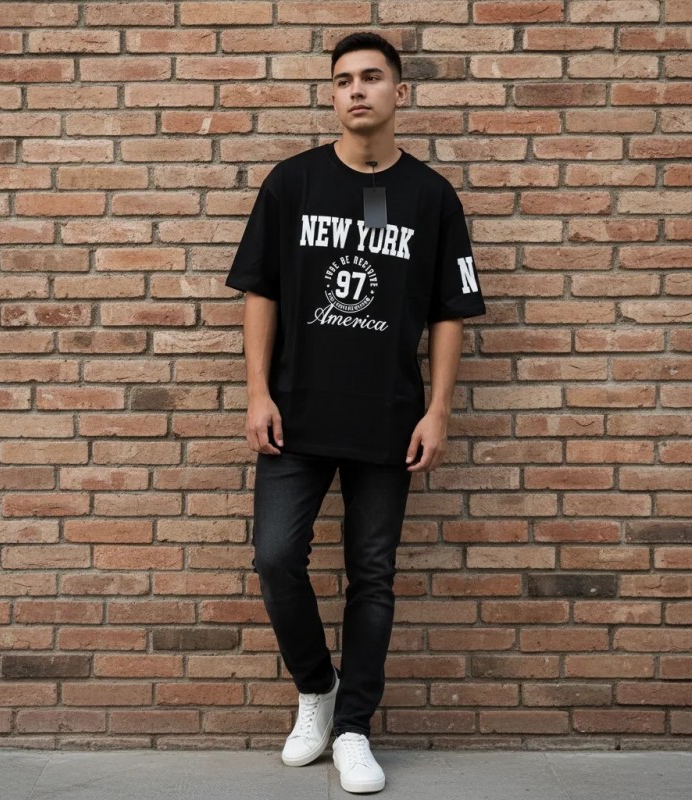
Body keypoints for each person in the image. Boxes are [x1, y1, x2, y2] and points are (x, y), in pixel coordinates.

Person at [224, 31, 486, 794]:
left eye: (372, 77)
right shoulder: (293, 182)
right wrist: (257, 391)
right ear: (332, 95)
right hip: (296, 413)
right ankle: (317, 688)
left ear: (400, 92)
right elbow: (261, 292)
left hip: (387, 417)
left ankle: (353, 729)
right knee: (277, 558)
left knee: (373, 575)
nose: (357, 90)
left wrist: (438, 411)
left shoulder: (431, 196)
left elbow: (449, 313)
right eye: (343, 80)